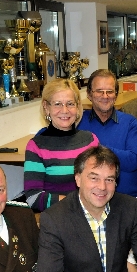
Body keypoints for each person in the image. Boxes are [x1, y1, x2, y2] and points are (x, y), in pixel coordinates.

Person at [23, 78, 100, 211]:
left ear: (77, 107)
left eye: (70, 103)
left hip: (93, 214)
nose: (65, 110)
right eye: (57, 104)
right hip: (58, 219)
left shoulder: (91, 140)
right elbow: (33, 198)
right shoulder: (36, 146)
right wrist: (76, 204)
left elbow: (101, 182)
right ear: (46, 107)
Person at [78, 69, 137, 197]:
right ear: (89, 94)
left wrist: (96, 147)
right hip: (92, 199)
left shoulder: (130, 123)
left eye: (110, 91)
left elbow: (133, 161)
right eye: (99, 91)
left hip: (128, 198)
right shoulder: (78, 123)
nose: (105, 96)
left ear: (116, 95)